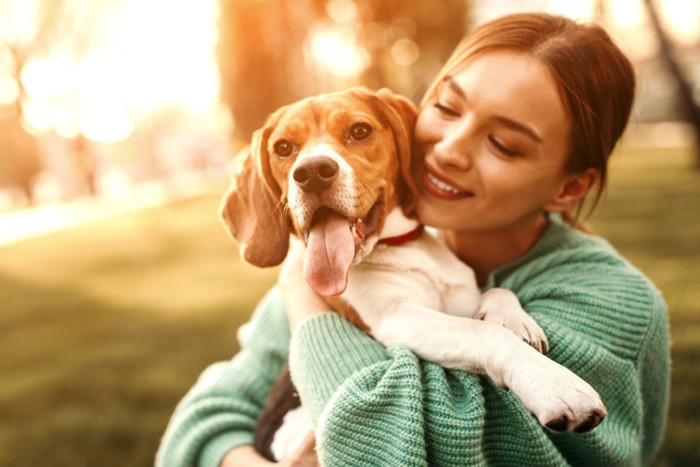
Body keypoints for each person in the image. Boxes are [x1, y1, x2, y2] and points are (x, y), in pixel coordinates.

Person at [156, 12, 670, 467]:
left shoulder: (608, 304)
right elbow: (200, 422)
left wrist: (307, 306)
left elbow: (385, 452)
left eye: (503, 143)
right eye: (447, 108)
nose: (448, 150)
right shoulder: (334, 258)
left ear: (569, 187)